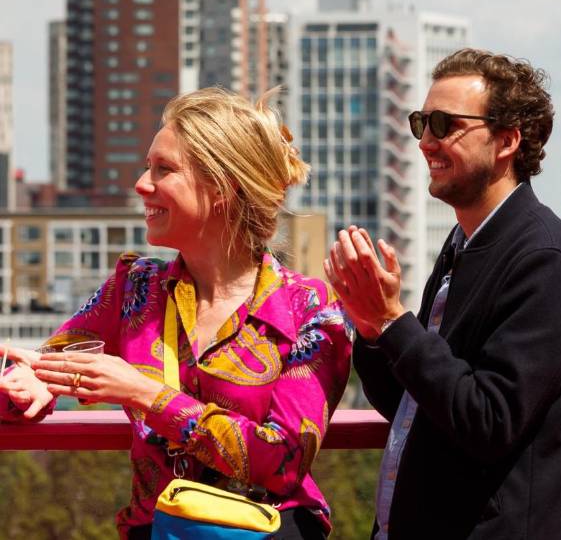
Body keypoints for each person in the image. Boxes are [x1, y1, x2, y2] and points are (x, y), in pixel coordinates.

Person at [0, 88, 351, 540]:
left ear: (223, 189)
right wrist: (26, 388)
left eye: (163, 170)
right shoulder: (134, 288)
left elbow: (281, 461)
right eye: (149, 167)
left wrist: (146, 393)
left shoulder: (310, 310)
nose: (142, 184)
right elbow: (50, 367)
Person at [326, 48, 561, 540]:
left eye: (444, 123)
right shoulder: (464, 246)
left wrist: (393, 321)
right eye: (421, 123)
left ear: (507, 140)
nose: (426, 142)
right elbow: (417, 408)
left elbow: (489, 422)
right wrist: (372, 332)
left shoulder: (547, 259)